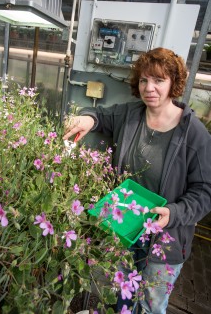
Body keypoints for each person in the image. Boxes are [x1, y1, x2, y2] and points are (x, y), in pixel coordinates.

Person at [63, 47, 211, 313]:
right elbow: (100, 116)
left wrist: (174, 213)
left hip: (166, 239)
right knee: (122, 296)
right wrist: (86, 117)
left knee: (152, 304)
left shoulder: (194, 134)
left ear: (173, 84)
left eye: (158, 80)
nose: (149, 87)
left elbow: (206, 191)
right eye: (144, 80)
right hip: (125, 231)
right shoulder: (130, 115)